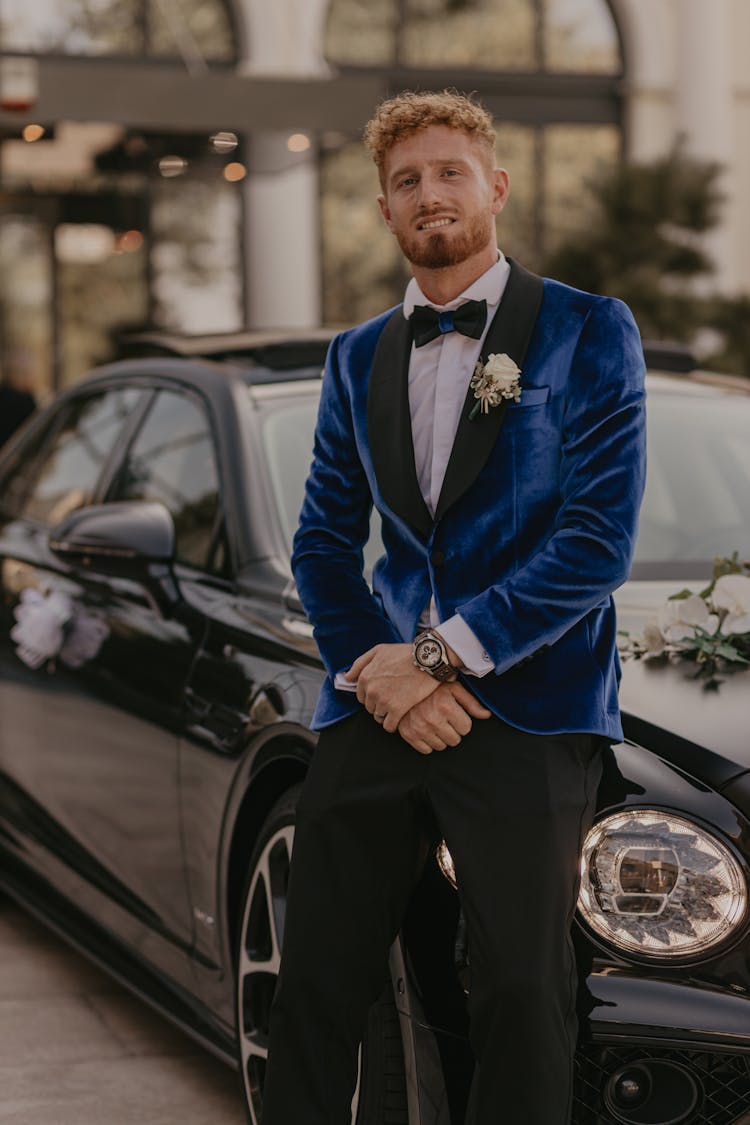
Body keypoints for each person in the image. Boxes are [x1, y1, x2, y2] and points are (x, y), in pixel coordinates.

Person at [262, 90, 646, 1125]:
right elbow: (323, 546)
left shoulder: (587, 329)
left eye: (449, 173)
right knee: (316, 984)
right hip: (379, 703)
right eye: (405, 182)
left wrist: (440, 657)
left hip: (530, 700)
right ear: (384, 211)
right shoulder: (356, 356)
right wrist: (387, 677)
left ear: (496, 188)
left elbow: (595, 546)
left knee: (523, 987)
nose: (429, 194)